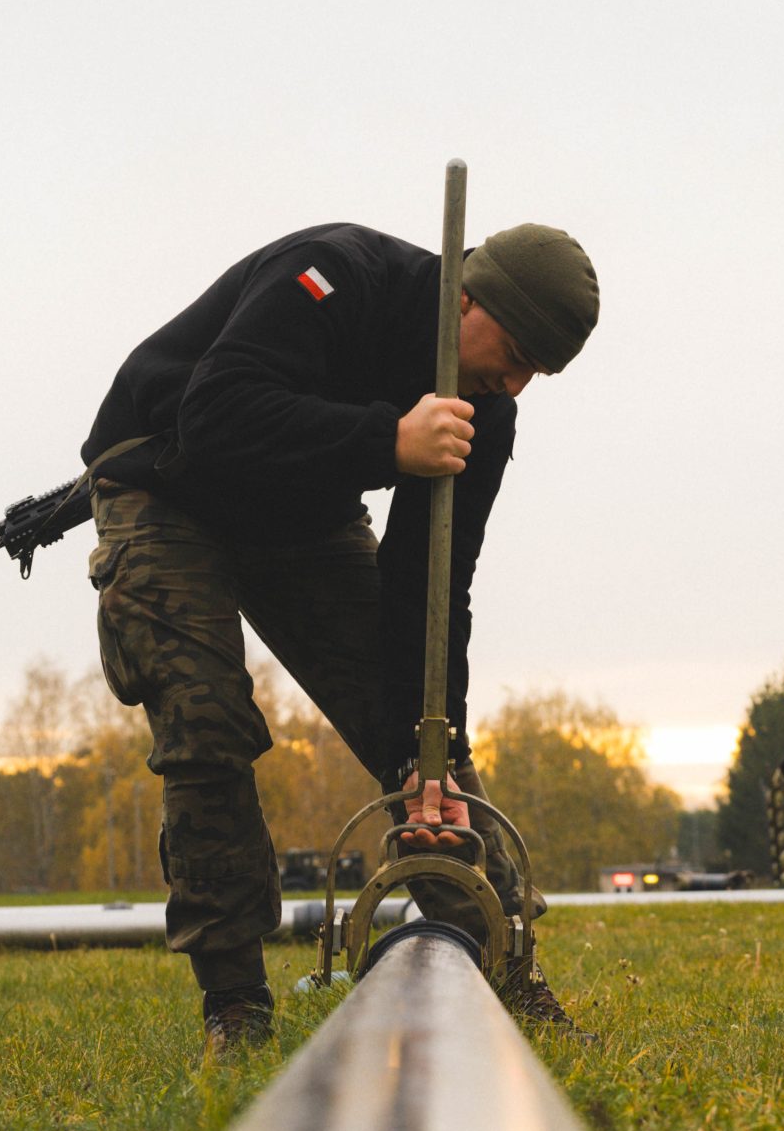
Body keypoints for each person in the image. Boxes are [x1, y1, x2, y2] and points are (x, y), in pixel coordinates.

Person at [80, 219, 599, 1054]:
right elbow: (216, 414)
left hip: (300, 512)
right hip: (165, 480)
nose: (516, 381)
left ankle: (510, 975)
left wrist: (420, 749)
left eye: (540, 369)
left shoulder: (485, 406)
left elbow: (432, 588)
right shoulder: (331, 275)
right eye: (515, 350)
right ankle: (237, 1007)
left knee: (428, 747)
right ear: (466, 298)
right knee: (206, 719)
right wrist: (388, 442)